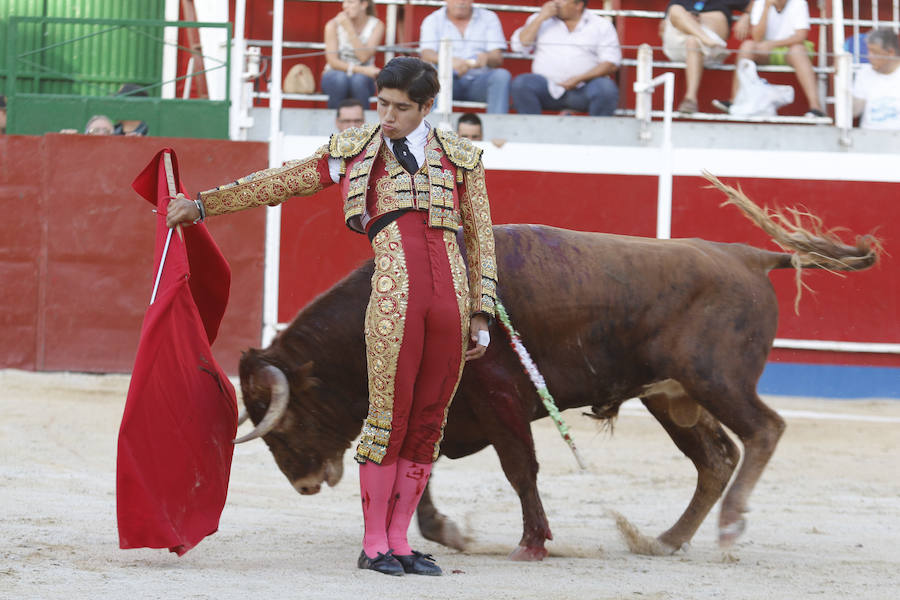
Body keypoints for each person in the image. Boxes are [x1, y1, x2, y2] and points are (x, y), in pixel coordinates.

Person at [166, 57, 497, 577]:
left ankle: (402, 543)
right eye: (381, 104)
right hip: (394, 298)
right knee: (388, 420)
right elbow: (280, 182)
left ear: (427, 107)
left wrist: (482, 311)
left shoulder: (461, 158)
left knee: (429, 423)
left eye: (400, 108)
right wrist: (204, 205)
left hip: (451, 302)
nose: (387, 116)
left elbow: (480, 239)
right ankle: (375, 543)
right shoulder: (355, 151)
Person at [713, 0, 824, 117]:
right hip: (768, 49)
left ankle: (815, 107)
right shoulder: (761, 3)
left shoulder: (799, 3)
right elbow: (757, 37)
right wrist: (766, 8)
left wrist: (773, 44)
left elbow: (801, 36)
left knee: (797, 51)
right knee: (747, 46)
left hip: (791, 49)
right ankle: (734, 101)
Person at [510, 0, 621, 116]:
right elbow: (518, 46)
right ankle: (530, 131)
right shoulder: (540, 19)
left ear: (578, 5)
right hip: (547, 88)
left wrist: (579, 78)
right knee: (521, 84)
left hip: (584, 88)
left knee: (606, 88)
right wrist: (540, 18)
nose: (554, 5)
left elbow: (611, 62)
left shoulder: (600, 25)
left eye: (560, 2)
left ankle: (599, 132)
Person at [419, 0, 512, 114]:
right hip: (446, 81)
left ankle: (498, 126)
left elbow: (497, 57)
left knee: (501, 76)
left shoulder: (489, 18)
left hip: (479, 83)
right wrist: (449, 62)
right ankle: (433, 126)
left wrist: (486, 58)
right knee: (433, 75)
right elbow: (427, 54)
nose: (461, 2)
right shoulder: (433, 20)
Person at [661, 1, 751, 114]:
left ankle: (690, 98)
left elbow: (756, 4)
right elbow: (664, 28)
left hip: (703, 47)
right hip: (681, 44)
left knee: (693, 41)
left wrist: (747, 15)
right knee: (675, 10)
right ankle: (708, 41)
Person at [322, 0, 385, 108]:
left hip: (363, 79)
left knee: (358, 81)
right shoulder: (332, 25)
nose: (345, 6)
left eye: (350, 2)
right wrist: (363, 70)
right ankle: (334, 122)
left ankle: (363, 124)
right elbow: (333, 62)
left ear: (364, 4)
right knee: (340, 80)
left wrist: (349, 28)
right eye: (344, 2)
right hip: (335, 74)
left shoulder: (377, 25)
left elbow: (363, 57)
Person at [853, 28, 900, 130]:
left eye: (874, 52)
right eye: (868, 51)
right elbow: (854, 112)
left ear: (890, 52)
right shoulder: (864, 73)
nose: (869, 56)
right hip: (869, 138)